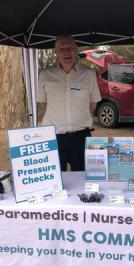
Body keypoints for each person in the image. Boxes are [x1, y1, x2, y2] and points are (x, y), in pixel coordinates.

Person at [37, 35, 101, 171]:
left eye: (70, 48)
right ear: (55, 52)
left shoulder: (89, 74)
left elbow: (93, 103)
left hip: (81, 138)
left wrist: (79, 118)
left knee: (83, 181)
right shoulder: (45, 74)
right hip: (54, 138)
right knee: (56, 182)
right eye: (62, 49)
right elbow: (45, 104)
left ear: (76, 50)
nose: (67, 52)